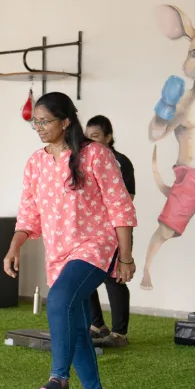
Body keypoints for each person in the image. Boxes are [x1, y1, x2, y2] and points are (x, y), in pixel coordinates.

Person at [3, 92, 136, 389]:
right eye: (35, 122)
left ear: (65, 122)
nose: (38, 127)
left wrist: (126, 257)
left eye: (44, 121)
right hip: (58, 253)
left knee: (60, 300)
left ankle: (59, 378)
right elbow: (28, 215)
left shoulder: (96, 155)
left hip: (96, 245)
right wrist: (14, 246)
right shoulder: (36, 162)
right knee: (75, 324)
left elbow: (120, 207)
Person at [83, 115, 135, 348]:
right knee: (84, 276)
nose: (90, 141)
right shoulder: (84, 160)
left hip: (114, 230)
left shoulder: (121, 162)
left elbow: (126, 200)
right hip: (89, 231)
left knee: (115, 278)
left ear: (108, 137)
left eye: (95, 136)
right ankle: (97, 325)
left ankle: (119, 333)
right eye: (87, 137)